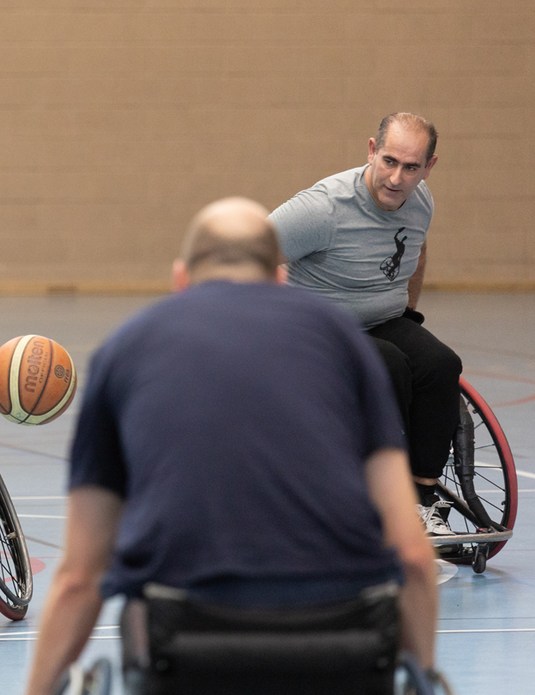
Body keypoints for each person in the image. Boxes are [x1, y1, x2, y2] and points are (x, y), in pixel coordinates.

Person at [24, 198, 437, 695]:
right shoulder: (345, 343)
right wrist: (422, 675)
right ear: (280, 280)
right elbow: (412, 552)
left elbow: (79, 576)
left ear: (181, 277)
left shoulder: (126, 348)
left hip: (185, 649)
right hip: (342, 645)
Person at [268, 113, 462, 535]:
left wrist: (409, 313)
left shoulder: (421, 201)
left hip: (381, 319)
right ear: (371, 151)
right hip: (317, 332)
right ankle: (380, 498)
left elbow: (417, 251)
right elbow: (248, 252)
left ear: (429, 167)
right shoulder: (323, 208)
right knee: (387, 364)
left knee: (441, 364)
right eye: (389, 161)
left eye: (411, 167)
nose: (396, 178)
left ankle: (420, 498)